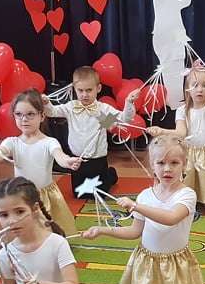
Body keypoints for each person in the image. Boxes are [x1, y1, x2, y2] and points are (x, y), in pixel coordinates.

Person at [83, 137, 205, 284]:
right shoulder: (145, 196)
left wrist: (137, 206)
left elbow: (171, 218)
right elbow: (134, 231)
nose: (167, 169)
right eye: (160, 163)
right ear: (152, 165)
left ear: (184, 164)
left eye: (174, 163)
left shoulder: (187, 194)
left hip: (175, 261)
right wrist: (102, 230)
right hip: (148, 259)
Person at [0, 89, 80, 234]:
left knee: (49, 230)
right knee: (25, 230)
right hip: (21, 196)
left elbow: (60, 156)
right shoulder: (12, 142)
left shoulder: (49, 142)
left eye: (30, 114)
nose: (24, 119)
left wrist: (68, 161)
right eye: (18, 114)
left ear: (42, 116)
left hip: (45, 196)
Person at [147, 65, 205, 211]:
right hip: (188, 156)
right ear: (187, 89)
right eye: (195, 85)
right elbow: (181, 133)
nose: (199, 89)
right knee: (186, 197)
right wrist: (161, 131)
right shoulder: (182, 110)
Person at [42, 66, 139, 198]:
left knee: (100, 193)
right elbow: (52, 112)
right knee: (79, 194)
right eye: (80, 90)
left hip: (97, 158)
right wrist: (46, 103)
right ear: (74, 89)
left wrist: (129, 102)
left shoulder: (102, 109)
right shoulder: (71, 107)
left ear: (98, 88)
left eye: (89, 90)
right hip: (77, 159)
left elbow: (124, 118)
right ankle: (104, 177)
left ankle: (110, 175)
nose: (84, 94)